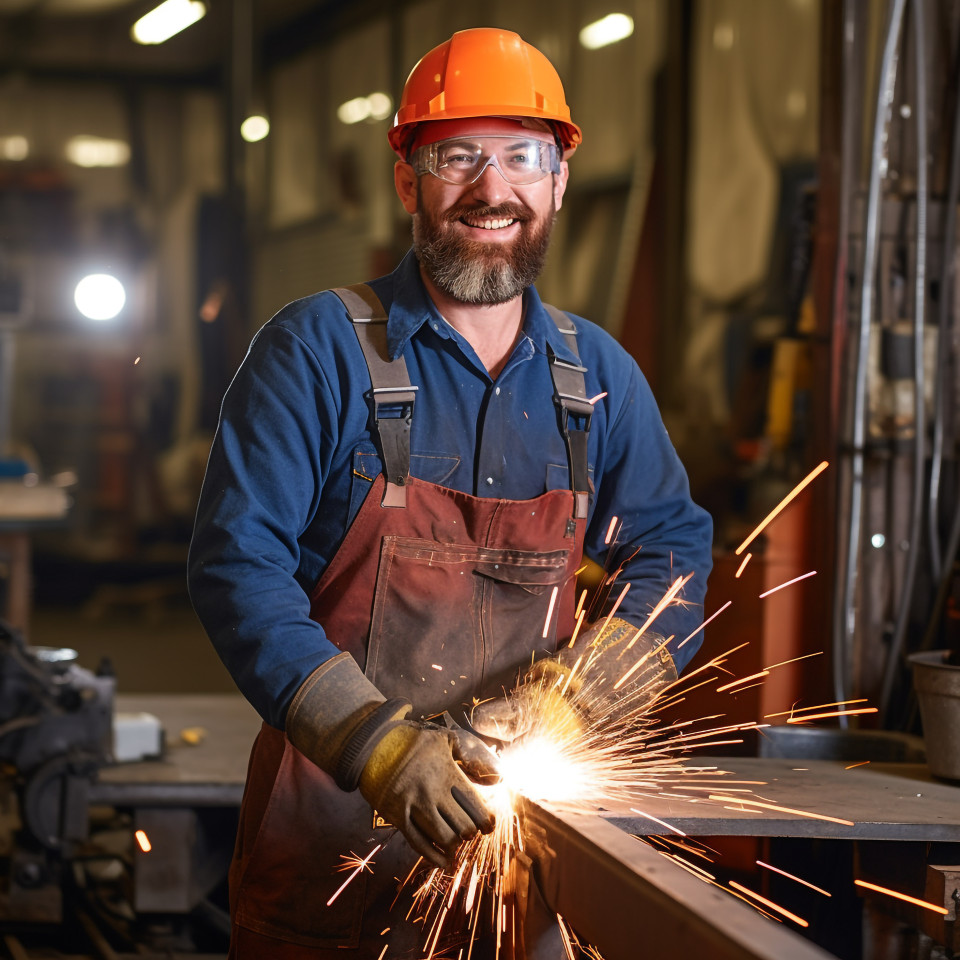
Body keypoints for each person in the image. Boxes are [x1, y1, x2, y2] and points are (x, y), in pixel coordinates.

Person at [188, 26, 713, 960]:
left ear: (557, 182)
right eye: (457, 156)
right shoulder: (316, 350)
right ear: (407, 183)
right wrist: (378, 747)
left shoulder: (598, 378)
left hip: (517, 859)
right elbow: (237, 566)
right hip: (329, 855)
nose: (492, 188)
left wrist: (576, 698)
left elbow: (670, 555)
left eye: (522, 158)